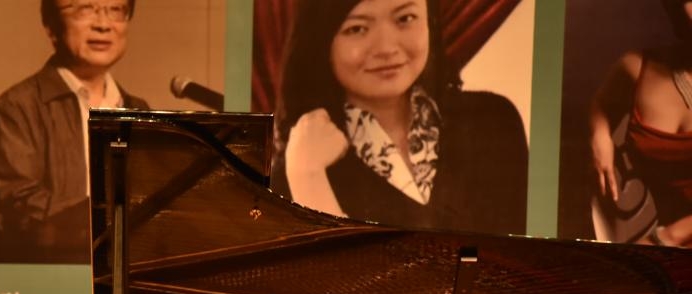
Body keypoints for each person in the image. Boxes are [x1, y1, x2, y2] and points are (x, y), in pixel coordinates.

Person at [271, 0, 528, 236]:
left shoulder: (494, 121)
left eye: (405, 18)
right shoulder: (300, 165)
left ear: (429, 22)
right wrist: (308, 177)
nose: (386, 48)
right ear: (322, 41)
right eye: (357, 29)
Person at [0, 0, 148, 264]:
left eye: (116, 10)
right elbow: (21, 212)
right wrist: (115, 217)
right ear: (51, 26)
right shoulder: (17, 107)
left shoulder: (138, 110)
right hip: (49, 280)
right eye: (85, 8)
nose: (103, 24)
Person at [590, 0, 692, 246]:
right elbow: (601, 103)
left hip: (666, 240)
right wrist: (599, 134)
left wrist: (667, 237)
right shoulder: (637, 67)